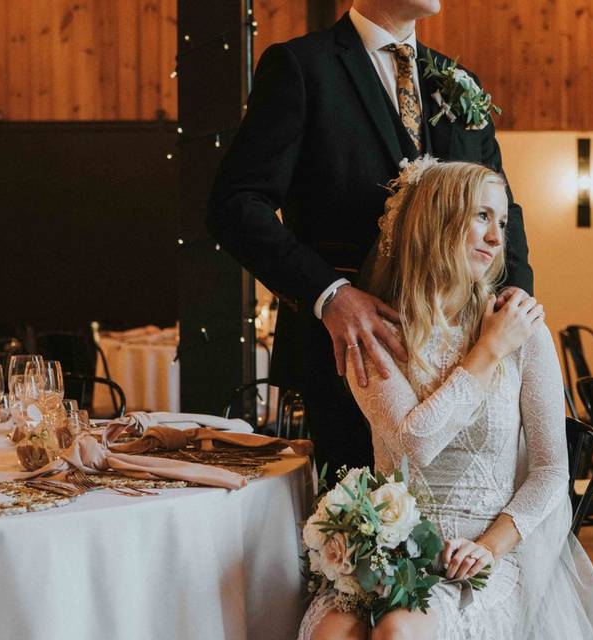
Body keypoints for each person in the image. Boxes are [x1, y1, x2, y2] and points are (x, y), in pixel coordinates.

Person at [299, 160, 593, 640]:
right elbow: (417, 444)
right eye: (481, 216)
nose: (497, 238)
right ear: (435, 221)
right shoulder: (374, 334)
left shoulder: (525, 330)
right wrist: (488, 349)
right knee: (332, 635)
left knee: (400, 632)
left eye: (502, 222)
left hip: (486, 554)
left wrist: (490, 548)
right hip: (393, 550)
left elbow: (552, 471)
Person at [207, 0, 532, 478]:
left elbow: (504, 204)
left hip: (463, 352)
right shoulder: (301, 68)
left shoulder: (457, 79)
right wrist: (329, 295)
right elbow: (235, 205)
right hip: (356, 355)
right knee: (372, 534)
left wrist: (515, 299)